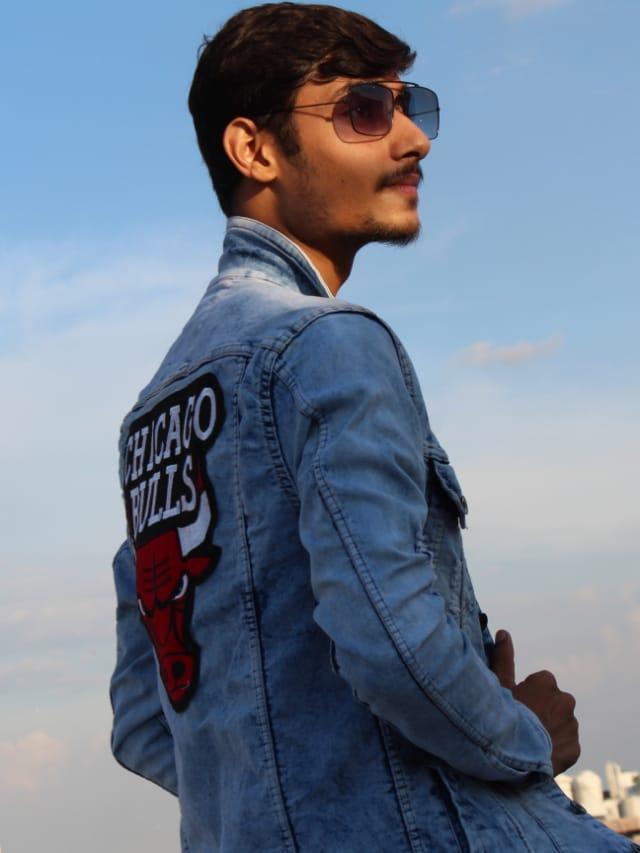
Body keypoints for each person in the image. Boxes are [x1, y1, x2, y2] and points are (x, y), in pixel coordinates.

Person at [109, 4, 637, 851]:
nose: (414, 139)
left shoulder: (154, 415)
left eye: (409, 105)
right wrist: (522, 738)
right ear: (254, 150)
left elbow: (144, 715)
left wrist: (287, 781)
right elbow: (392, 641)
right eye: (364, 109)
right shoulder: (324, 343)